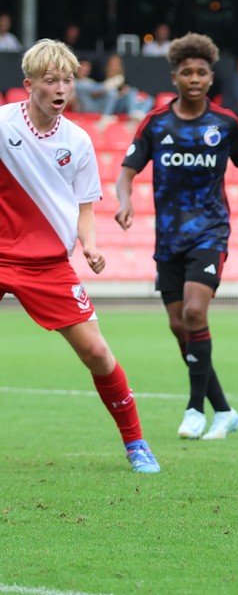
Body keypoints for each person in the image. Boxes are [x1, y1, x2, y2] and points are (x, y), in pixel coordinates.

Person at [0, 39, 160, 473]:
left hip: (48, 264)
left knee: (97, 353)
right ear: (28, 84)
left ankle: (136, 444)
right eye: (51, 80)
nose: (61, 88)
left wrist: (89, 244)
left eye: (67, 80)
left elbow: (85, 206)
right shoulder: (1, 125)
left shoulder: (78, 141)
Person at [115, 32, 238, 442]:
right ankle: (223, 411)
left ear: (210, 78)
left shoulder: (225, 124)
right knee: (179, 324)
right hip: (167, 239)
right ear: (174, 77)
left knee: (193, 312)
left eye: (201, 72)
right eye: (186, 72)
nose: (193, 78)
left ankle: (194, 409)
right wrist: (125, 200)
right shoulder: (156, 123)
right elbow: (126, 172)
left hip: (209, 232)